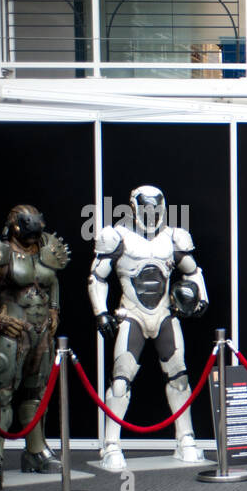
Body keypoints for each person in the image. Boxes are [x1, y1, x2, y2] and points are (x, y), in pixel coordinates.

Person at [88, 185, 208, 471]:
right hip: (132, 314)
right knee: (121, 379)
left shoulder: (173, 238)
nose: (151, 215)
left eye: (156, 209)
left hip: (165, 314)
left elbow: (193, 271)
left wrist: (201, 298)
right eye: (145, 209)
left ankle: (185, 437)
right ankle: (111, 444)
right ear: (133, 207)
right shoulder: (116, 237)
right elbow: (97, 277)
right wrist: (101, 312)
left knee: (178, 375)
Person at [0, 205, 70, 473]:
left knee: (36, 393)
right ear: (16, 227)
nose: (34, 238)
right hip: (14, 331)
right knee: (2, 395)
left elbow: (52, 281)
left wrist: (54, 308)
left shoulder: (46, 248)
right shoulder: (0, 251)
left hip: (43, 332)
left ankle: (35, 451)